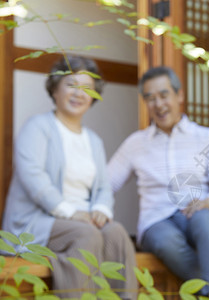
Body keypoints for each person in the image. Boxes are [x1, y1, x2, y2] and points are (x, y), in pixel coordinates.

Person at [2, 55, 138, 299]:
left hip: (83, 220)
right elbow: (34, 178)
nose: (79, 93)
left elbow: (103, 187)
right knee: (85, 234)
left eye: (87, 88)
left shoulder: (94, 141)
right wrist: (70, 212)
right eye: (71, 85)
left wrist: (101, 209)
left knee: (116, 232)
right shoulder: (38, 127)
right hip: (37, 221)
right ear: (55, 89)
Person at [108, 66, 209, 300]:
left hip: (197, 214)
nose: (158, 104)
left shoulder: (206, 137)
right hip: (155, 221)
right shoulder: (136, 143)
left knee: (208, 219)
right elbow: (106, 184)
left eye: (164, 95)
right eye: (150, 98)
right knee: (167, 241)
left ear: (179, 95)